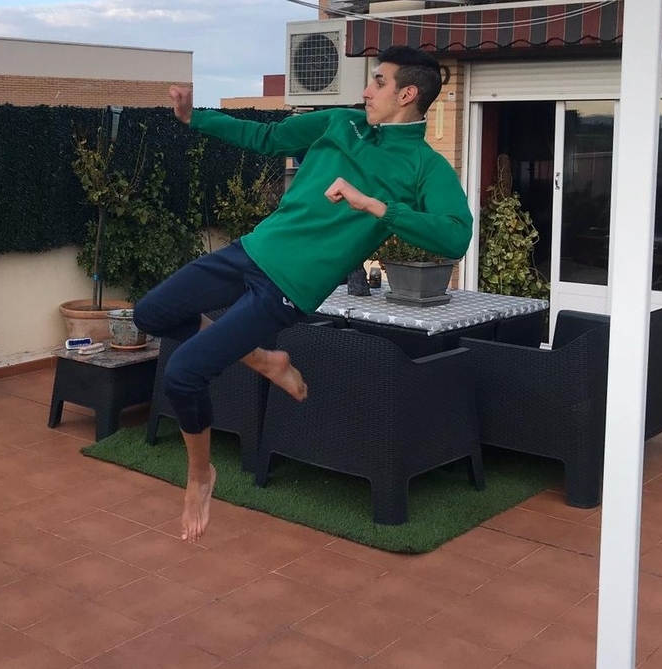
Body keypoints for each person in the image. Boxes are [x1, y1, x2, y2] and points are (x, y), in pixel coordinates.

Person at [133, 45, 473, 543]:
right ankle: (262, 360)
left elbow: (455, 236)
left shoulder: (423, 166)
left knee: (184, 375)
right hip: (251, 251)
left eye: (377, 81)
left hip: (287, 287)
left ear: (407, 93)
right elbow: (267, 137)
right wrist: (192, 118)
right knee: (151, 313)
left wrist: (376, 207)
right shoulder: (341, 123)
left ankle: (200, 476)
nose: (365, 90)